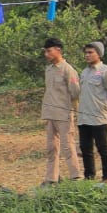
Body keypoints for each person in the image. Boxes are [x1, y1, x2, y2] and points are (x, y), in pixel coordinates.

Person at [41, 37, 82, 184]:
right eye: (45, 51)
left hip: (64, 114)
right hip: (50, 113)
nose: (47, 54)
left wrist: (74, 110)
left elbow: (75, 92)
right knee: (51, 147)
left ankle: (75, 176)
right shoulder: (49, 70)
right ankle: (51, 178)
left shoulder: (68, 70)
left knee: (68, 145)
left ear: (58, 50)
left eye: (49, 51)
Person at [77, 41, 107, 182]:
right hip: (83, 118)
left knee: (103, 149)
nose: (87, 55)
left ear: (99, 54)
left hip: (98, 117)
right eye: (86, 52)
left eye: (90, 52)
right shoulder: (84, 72)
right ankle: (89, 177)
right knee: (86, 149)